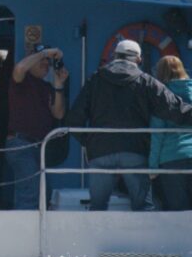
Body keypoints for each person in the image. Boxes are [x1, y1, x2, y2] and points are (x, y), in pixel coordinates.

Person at [65, 41, 192, 211]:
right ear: (138, 59)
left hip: (100, 150)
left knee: (97, 206)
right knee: (143, 206)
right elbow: (173, 108)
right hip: (135, 150)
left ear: (114, 56)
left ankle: (95, 237)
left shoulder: (95, 79)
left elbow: (74, 118)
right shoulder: (146, 81)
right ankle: (141, 238)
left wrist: (89, 142)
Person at [6, 44, 68, 209]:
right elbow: (20, 68)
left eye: (48, 62)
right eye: (42, 61)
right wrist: (45, 53)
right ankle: (23, 233)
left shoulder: (46, 87)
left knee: (44, 194)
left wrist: (59, 84)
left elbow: (58, 113)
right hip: (20, 144)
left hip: (39, 147)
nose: (46, 64)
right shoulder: (21, 81)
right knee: (30, 194)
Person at [149, 56, 192, 211]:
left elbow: (157, 135)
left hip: (172, 158)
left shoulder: (161, 97)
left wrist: (152, 167)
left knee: (178, 211)